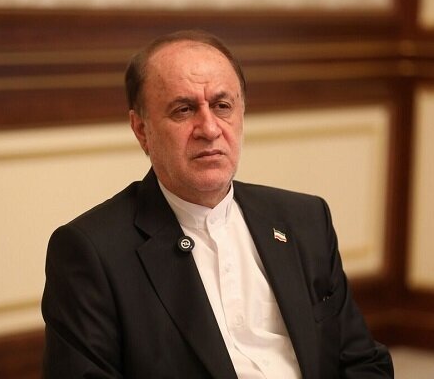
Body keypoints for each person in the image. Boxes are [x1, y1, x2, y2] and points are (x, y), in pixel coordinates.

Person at [41, 29, 393, 378]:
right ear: (142, 130)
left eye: (222, 106)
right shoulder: (92, 251)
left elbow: (363, 361)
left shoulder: (305, 220)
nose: (209, 129)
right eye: (184, 110)